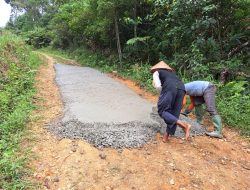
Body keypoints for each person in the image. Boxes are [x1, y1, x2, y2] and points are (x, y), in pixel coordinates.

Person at [151, 61, 191, 142]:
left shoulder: (156, 72)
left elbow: (158, 86)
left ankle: (185, 125)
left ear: (157, 68)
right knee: (174, 113)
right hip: (182, 88)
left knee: (162, 111)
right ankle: (166, 137)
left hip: (170, 87)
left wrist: (162, 96)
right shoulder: (173, 75)